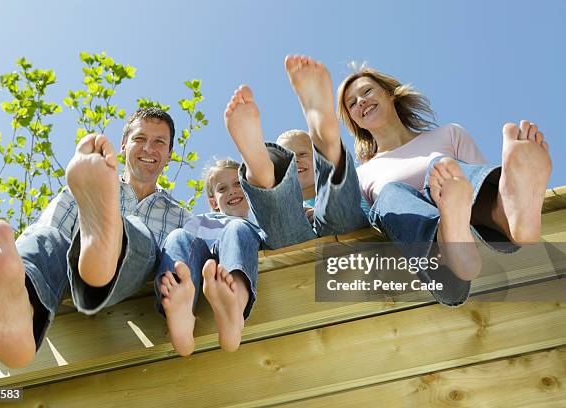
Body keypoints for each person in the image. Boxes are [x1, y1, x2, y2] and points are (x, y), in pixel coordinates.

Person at [0, 108, 191, 368]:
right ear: (124, 145)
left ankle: (111, 240)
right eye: (139, 139)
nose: (149, 148)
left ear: (169, 155)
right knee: (46, 235)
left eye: (159, 142)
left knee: (139, 234)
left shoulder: (181, 217)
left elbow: (196, 257)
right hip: (67, 282)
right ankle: (19, 304)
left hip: (135, 286)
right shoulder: (88, 181)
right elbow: (46, 234)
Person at [334, 62, 552, 305]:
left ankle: (506, 215)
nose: (360, 101)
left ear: (389, 93)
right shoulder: (362, 174)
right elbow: (360, 229)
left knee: (444, 168)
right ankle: (445, 237)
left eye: (366, 92)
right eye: (352, 104)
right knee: (392, 193)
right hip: (434, 262)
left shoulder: (449, 134)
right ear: (355, 122)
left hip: (474, 222)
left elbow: (476, 182)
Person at [223, 55, 370, 250]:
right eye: (287, 162)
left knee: (339, 210)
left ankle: (326, 140)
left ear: (316, 159)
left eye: (302, 154)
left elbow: (366, 213)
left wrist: (317, 213)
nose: (296, 163)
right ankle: (262, 174)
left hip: (351, 236)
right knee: (281, 222)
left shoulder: (354, 187)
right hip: (295, 248)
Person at [155, 159, 262, 356]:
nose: (232, 191)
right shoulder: (202, 221)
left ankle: (234, 305)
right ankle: (181, 315)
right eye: (223, 188)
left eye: (238, 184)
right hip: (199, 263)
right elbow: (182, 244)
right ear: (213, 202)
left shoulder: (255, 226)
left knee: (237, 227)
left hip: (230, 265)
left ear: (248, 188)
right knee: (178, 236)